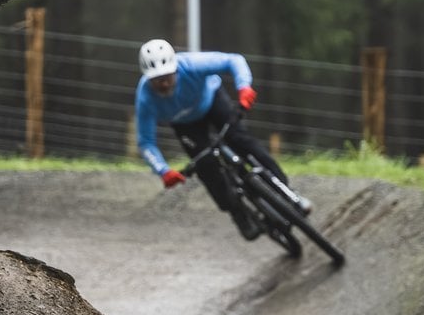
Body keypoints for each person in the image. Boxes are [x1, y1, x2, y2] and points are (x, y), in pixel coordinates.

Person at [133, 39, 313, 240]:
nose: (164, 83)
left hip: (212, 102)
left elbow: (234, 61)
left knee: (241, 139)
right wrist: (163, 171)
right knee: (206, 165)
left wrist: (244, 87)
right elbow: (146, 142)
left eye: (167, 76)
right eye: (157, 80)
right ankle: (238, 213)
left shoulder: (191, 65)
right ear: (147, 78)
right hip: (185, 125)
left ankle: (287, 192)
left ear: (175, 69)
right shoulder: (145, 98)